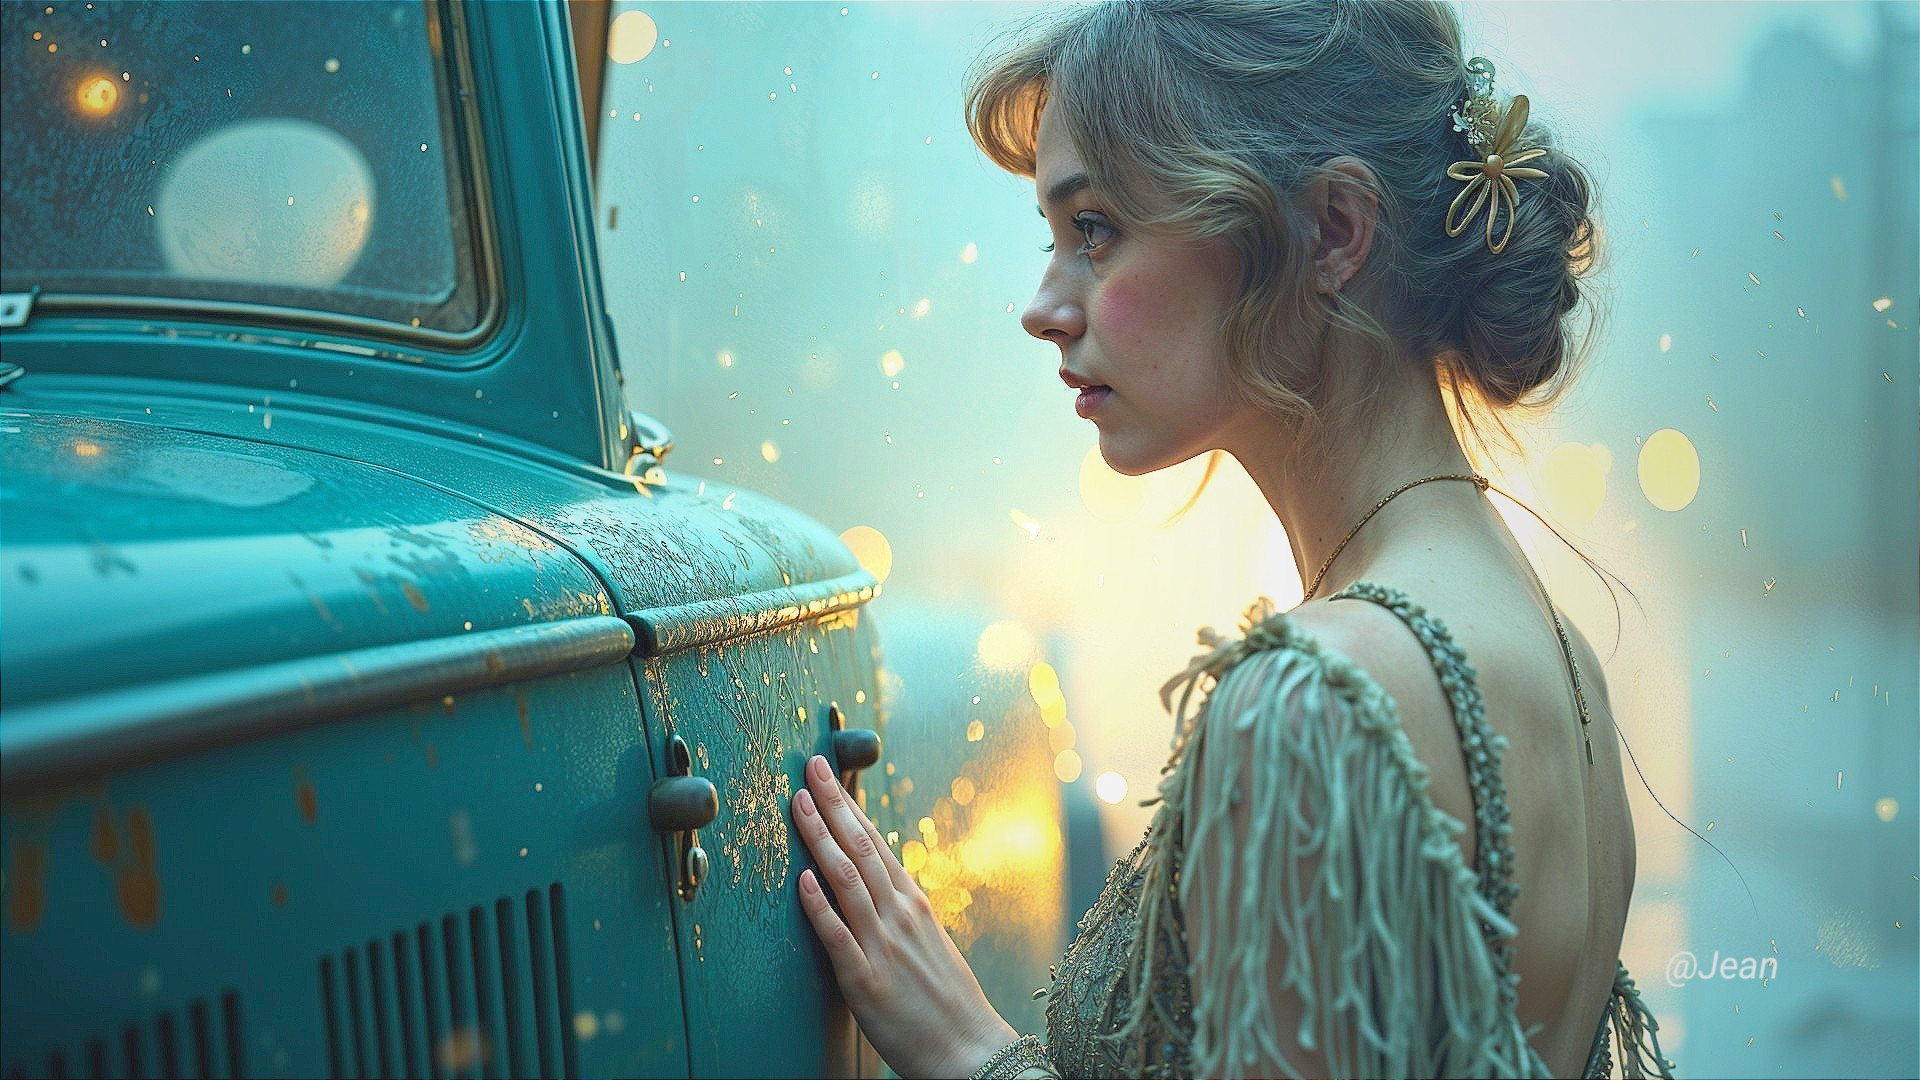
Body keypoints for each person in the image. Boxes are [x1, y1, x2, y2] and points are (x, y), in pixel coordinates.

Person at [787, 2, 1679, 1076]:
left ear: (1334, 231)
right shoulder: (1563, 668)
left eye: (1097, 229)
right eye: (1055, 237)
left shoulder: (1317, 702)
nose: (1044, 306)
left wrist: (970, 1056)